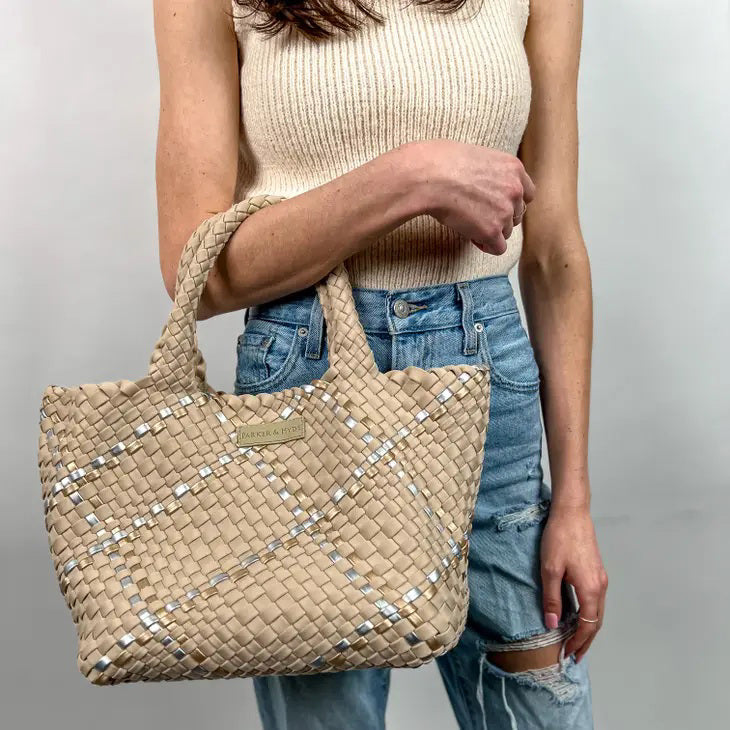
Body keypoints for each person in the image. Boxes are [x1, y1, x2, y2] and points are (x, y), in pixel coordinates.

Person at [153, 0, 607, 727]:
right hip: (305, 389)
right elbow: (196, 268)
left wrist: (575, 502)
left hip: (489, 379)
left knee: (538, 702)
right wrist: (409, 178)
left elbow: (553, 250)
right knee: (327, 714)